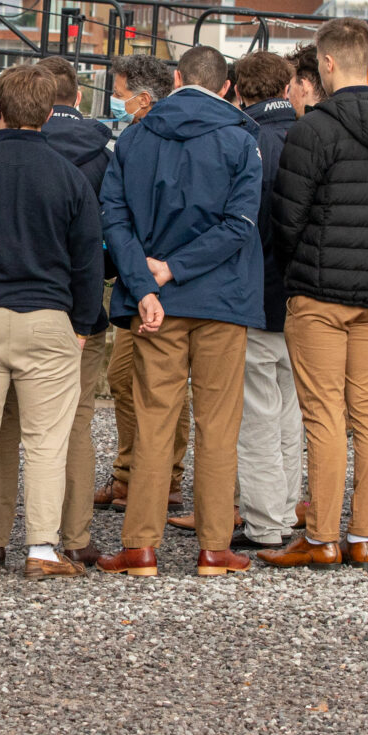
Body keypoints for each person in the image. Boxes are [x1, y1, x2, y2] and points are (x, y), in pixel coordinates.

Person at [258, 19, 368, 570]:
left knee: (324, 412)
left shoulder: (315, 129)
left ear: (325, 64)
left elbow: (288, 216)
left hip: (320, 290)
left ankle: (323, 535)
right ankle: (364, 535)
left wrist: (297, 267)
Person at [96, 43, 262, 577]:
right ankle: (215, 547)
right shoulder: (241, 140)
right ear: (227, 87)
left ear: (174, 78)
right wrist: (178, 269)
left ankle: (140, 546)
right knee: (218, 425)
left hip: (157, 305)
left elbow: (115, 219)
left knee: (153, 420)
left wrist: (147, 281)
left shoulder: (137, 137)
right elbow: (239, 226)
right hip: (220, 300)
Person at [0, 63, 100, 580]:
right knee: (47, 442)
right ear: (50, 114)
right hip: (49, 318)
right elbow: (87, 260)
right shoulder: (70, 177)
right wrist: (82, 323)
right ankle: (43, 552)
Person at [94, 55, 188, 514]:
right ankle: (134, 471)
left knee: (153, 384)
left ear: (144, 99)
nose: (115, 104)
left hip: (155, 280)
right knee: (133, 380)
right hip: (151, 278)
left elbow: (120, 215)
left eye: (119, 95)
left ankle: (156, 477)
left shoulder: (143, 142)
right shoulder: (147, 138)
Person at [227, 51, 304, 552]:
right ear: (288, 85)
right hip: (302, 294)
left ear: (239, 89)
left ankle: (264, 520)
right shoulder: (309, 136)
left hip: (254, 292)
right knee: (291, 410)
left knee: (255, 413)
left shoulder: (241, 140)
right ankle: (288, 506)